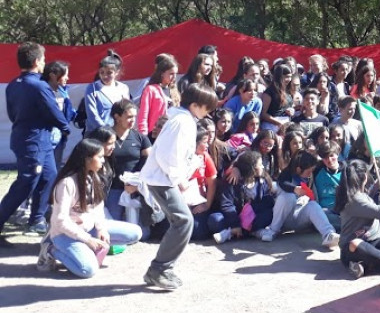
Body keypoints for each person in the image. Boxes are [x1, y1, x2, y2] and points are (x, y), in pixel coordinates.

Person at [138, 83, 219, 290]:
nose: (208, 111)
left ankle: (160, 269)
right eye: (206, 107)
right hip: (162, 180)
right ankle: (159, 269)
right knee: (183, 221)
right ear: (194, 105)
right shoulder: (182, 122)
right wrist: (179, 179)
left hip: (163, 178)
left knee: (182, 221)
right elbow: (167, 155)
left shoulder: (183, 119)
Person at [37, 139, 142, 277]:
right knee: (87, 270)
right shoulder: (66, 183)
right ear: (87, 159)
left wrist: (101, 229)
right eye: (99, 157)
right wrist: (88, 240)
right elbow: (61, 220)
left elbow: (98, 208)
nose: (103, 161)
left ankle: (81, 251)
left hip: (89, 229)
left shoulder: (94, 177)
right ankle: (50, 249)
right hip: (65, 234)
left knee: (135, 233)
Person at [0, 43, 71, 243]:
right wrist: (65, 127)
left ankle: (36, 220)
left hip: (34, 138)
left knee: (49, 176)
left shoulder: (13, 84)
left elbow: (13, 114)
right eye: (43, 59)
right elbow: (53, 112)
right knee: (27, 181)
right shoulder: (40, 85)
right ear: (37, 62)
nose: (45, 63)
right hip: (33, 141)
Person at [259, 151, 340, 247]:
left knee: (313, 205)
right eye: (308, 172)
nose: (310, 174)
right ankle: (273, 230)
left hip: (299, 216)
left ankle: (328, 234)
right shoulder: (287, 174)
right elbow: (282, 183)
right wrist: (294, 189)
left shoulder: (309, 177)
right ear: (298, 169)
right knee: (288, 197)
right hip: (283, 219)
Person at [83, 50, 131, 135]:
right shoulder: (92, 88)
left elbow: (127, 111)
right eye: (102, 72)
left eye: (109, 73)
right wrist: (106, 132)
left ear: (117, 72)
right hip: (96, 134)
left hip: (118, 133)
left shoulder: (123, 88)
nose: (105, 76)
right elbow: (92, 115)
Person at [137, 54, 179, 135]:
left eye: (175, 74)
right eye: (171, 74)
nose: (174, 77)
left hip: (171, 133)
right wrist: (144, 136)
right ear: (162, 73)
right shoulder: (151, 90)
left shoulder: (174, 90)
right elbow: (143, 116)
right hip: (154, 134)